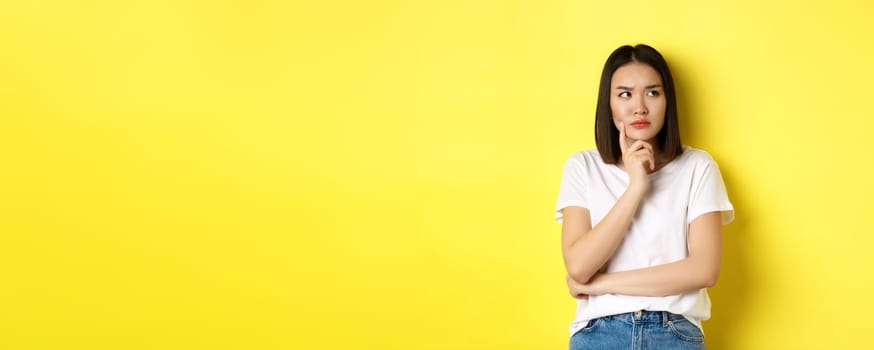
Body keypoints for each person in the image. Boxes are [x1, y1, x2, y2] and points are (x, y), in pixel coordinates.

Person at [555, 44, 734, 350]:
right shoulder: (582, 166)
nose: (639, 107)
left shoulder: (697, 167)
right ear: (608, 104)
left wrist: (601, 284)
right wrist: (636, 187)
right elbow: (579, 265)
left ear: (668, 102)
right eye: (624, 94)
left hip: (674, 332)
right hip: (598, 334)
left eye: (652, 92)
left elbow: (704, 269)